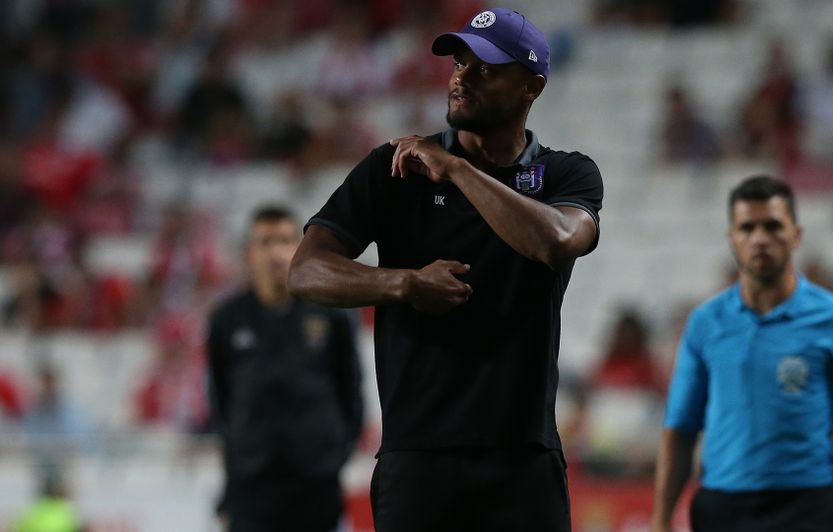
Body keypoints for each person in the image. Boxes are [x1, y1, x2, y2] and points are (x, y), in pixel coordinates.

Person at [288, 7, 603, 531]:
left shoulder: (564, 173)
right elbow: (305, 272)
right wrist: (403, 283)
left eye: (485, 66)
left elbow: (558, 241)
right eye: (459, 62)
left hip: (523, 459)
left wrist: (457, 170)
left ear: (533, 87)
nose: (462, 76)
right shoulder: (394, 168)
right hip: (417, 459)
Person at [651, 176, 833, 532]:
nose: (760, 238)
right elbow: (679, 430)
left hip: (805, 507)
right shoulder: (705, 323)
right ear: (732, 239)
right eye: (747, 227)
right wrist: (661, 519)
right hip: (722, 509)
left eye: (773, 226)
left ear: (797, 235)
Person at [207, 206, 363, 532]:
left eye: (284, 240)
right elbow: (220, 396)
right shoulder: (227, 319)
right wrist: (239, 450)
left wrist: (334, 456)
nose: (275, 252)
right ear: (248, 253)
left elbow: (351, 389)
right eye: (264, 242)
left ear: (299, 248)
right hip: (252, 484)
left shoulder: (331, 314)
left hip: (316, 482)